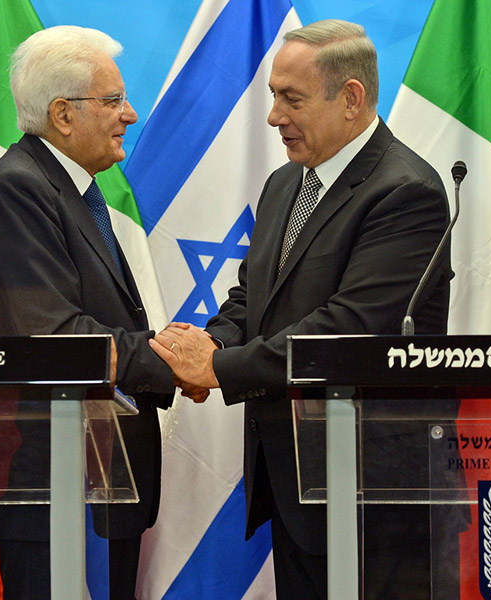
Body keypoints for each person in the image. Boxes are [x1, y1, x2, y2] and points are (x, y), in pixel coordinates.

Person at [150, 19, 454, 599]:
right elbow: (251, 297)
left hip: (371, 495)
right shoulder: (285, 183)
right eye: (272, 96)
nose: (273, 116)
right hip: (297, 484)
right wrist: (210, 343)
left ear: (351, 98)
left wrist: (217, 369)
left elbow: (352, 330)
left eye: (291, 98)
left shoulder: (406, 190)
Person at [0, 26, 174, 600]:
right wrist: (170, 361)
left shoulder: (68, 187)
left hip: (99, 477)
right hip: (49, 484)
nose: (129, 114)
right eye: (112, 101)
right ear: (62, 114)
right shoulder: (19, 189)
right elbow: (56, 337)